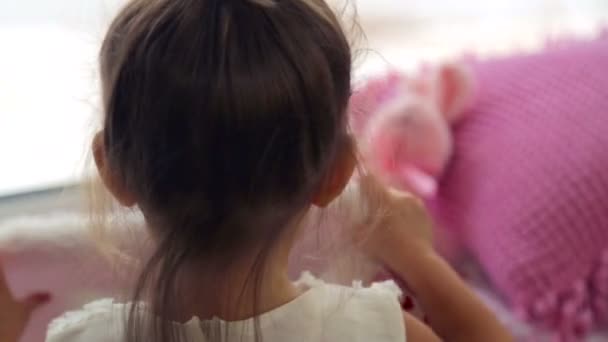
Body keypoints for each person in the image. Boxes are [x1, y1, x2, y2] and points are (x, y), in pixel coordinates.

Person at [0, 0, 512, 341]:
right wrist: (417, 259)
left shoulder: (79, 339)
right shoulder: (373, 330)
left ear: (112, 170)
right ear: (335, 175)